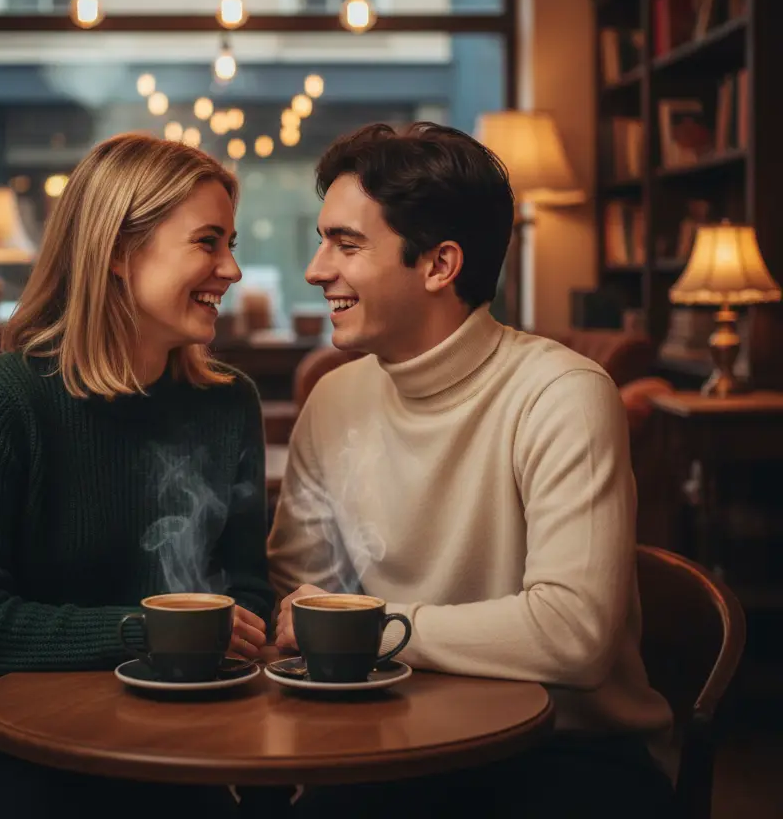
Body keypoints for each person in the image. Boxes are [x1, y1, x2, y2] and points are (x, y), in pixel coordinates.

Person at [268, 122, 675, 819]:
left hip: (567, 753)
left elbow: (573, 637)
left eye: (346, 243)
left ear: (438, 265)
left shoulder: (561, 394)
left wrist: (370, 628)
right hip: (390, 736)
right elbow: (297, 596)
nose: (315, 269)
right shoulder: (334, 397)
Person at [0, 133, 274, 819]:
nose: (233, 270)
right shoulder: (1, 400)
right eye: (208, 242)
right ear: (122, 254)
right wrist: (147, 633)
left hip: (177, 750)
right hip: (0, 759)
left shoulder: (228, 402)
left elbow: (247, 587)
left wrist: (238, 632)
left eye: (231, 243)